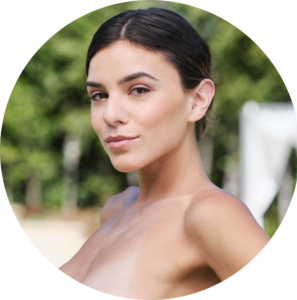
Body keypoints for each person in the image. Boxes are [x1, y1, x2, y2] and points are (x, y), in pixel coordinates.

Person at [59, 8, 270, 299]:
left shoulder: (211, 215)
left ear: (197, 100)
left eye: (139, 89)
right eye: (99, 95)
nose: (110, 114)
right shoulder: (116, 209)